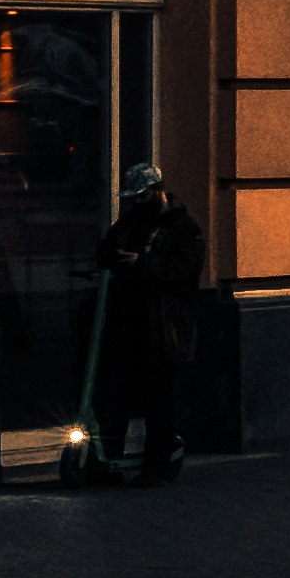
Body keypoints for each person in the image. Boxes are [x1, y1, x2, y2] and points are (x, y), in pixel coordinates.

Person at [81, 163, 211, 484]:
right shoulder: (131, 221)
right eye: (133, 198)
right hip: (128, 323)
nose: (137, 203)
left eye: (141, 196)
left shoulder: (183, 227)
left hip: (162, 328)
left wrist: (144, 263)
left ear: (157, 190)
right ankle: (107, 464)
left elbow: (186, 267)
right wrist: (113, 258)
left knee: (158, 400)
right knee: (115, 395)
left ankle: (157, 466)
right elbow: (108, 247)